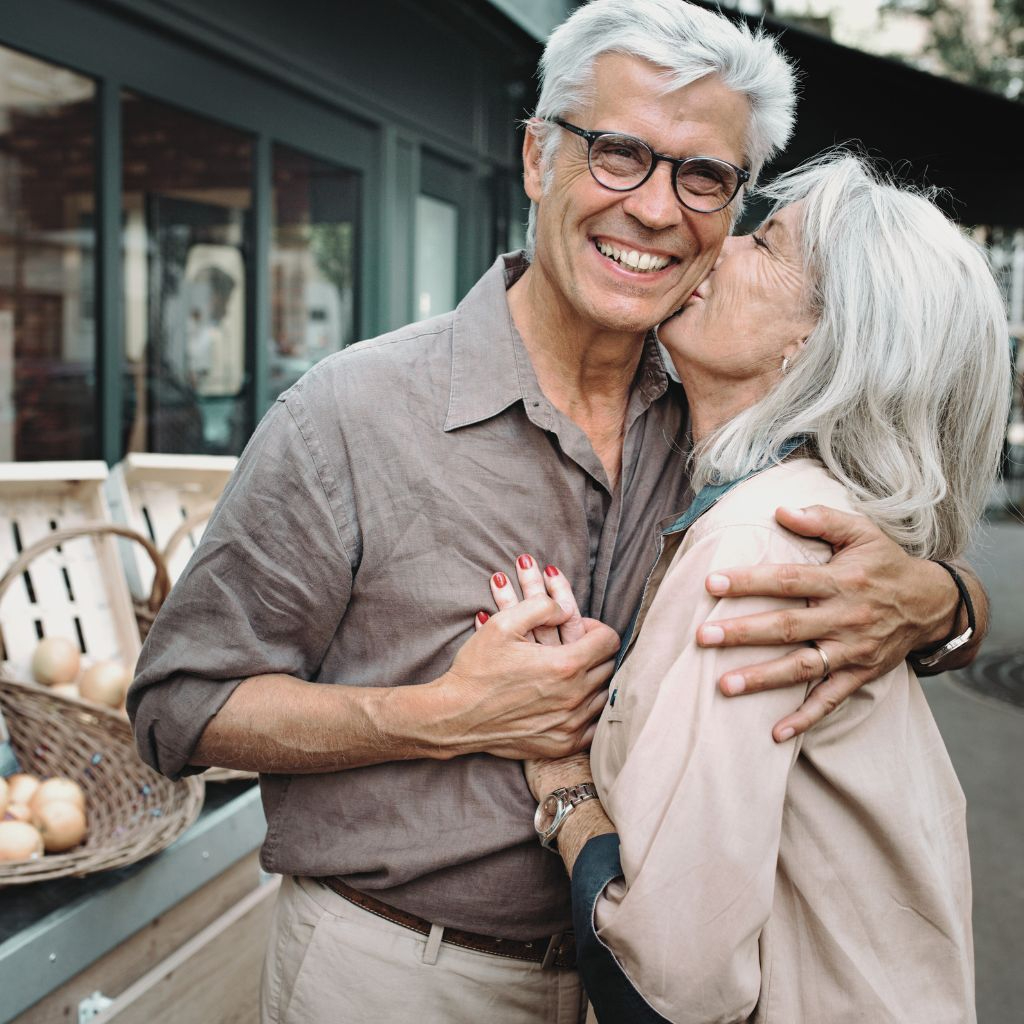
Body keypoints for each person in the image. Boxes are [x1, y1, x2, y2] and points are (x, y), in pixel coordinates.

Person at [126, 3, 990, 1022]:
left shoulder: (727, 422)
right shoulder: (350, 414)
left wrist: (942, 601)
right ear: (537, 157)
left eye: (703, 176)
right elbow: (178, 710)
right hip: (401, 971)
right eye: (618, 153)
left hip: (619, 981)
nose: (656, 210)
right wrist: (437, 716)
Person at [498, 153, 1009, 1023]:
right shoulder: (792, 511)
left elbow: (665, 977)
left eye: (764, 242)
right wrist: (950, 603)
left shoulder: (760, 541)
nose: (717, 243)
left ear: (818, 340)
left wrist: (562, 784)